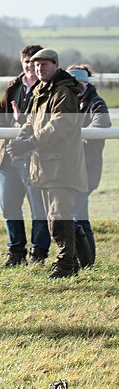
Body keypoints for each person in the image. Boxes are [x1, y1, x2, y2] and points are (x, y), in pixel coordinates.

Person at [7, 48, 88, 279]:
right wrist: (21, 138)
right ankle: (73, 262)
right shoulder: (41, 91)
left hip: (62, 165)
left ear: (56, 65)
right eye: (36, 65)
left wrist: (29, 142)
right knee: (55, 219)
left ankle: (65, 264)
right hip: (45, 165)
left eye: (44, 64)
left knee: (59, 216)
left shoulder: (63, 91)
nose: (39, 68)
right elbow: (31, 121)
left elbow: (59, 126)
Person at [0, 44, 50, 267]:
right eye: (26, 62)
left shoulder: (48, 89)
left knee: (38, 208)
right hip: (8, 156)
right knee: (8, 205)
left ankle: (38, 253)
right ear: (22, 63)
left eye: (34, 62)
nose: (30, 66)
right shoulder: (13, 86)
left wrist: (21, 121)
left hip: (34, 156)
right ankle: (16, 252)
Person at [67, 64, 111, 268]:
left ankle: (80, 261)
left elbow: (101, 125)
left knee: (71, 215)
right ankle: (86, 262)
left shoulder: (97, 103)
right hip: (72, 168)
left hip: (87, 168)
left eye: (77, 83)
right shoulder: (68, 103)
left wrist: (75, 137)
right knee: (80, 218)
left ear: (86, 83)